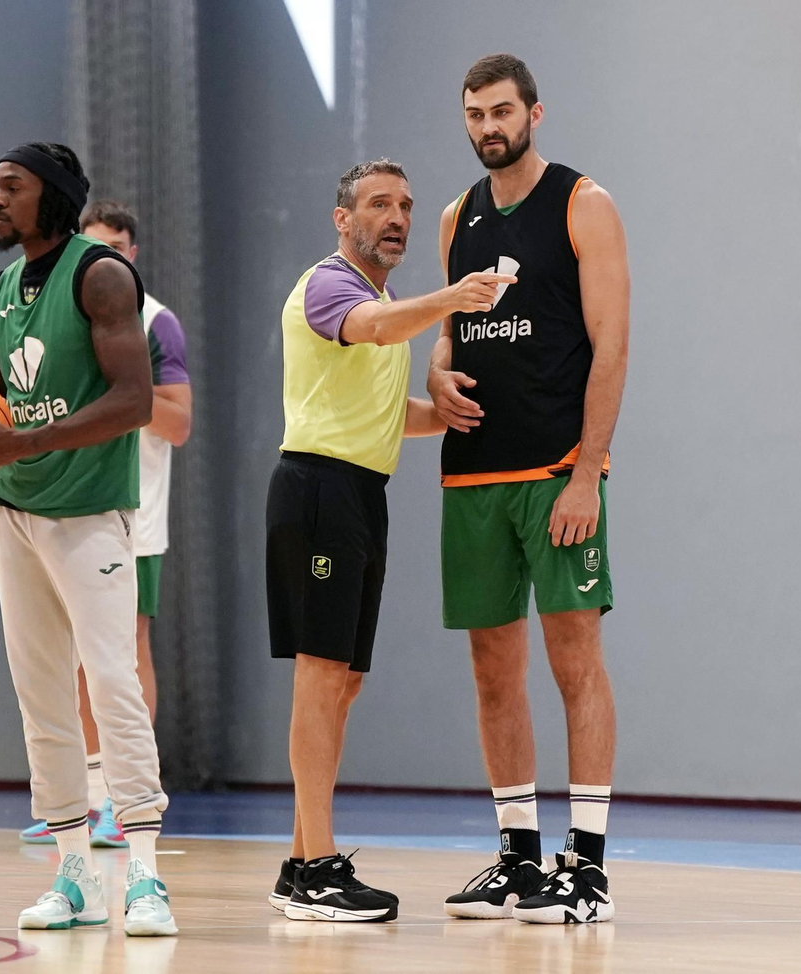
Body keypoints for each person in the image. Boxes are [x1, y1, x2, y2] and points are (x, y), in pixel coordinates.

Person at [266, 159, 515, 921]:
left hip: (361, 495)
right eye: (379, 204)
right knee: (320, 673)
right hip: (318, 490)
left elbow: (386, 410)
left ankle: (306, 862)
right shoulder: (332, 286)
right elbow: (372, 330)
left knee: (344, 680)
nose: (397, 216)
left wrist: (446, 409)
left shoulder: (386, 299)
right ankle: (312, 867)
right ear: (343, 220)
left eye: (405, 204)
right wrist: (456, 298)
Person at [0, 142, 176, 936]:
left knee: (113, 685)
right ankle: (73, 876)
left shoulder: (100, 276)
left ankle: (144, 879)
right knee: (42, 695)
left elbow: (136, 400)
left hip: (90, 515)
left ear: (55, 197)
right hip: (15, 516)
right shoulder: (1, 290)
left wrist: (22, 443)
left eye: (13, 187)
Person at [428, 55, 630, 924]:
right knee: (490, 669)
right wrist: (435, 378)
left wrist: (588, 470)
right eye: (474, 113)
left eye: (501, 111)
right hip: (473, 476)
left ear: (535, 114)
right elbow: (448, 340)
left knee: (574, 659)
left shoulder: (585, 206)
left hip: (556, 476)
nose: (487, 127)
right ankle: (517, 856)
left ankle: (586, 868)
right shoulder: (454, 219)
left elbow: (611, 348)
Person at [15, 200, 192, 851]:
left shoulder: (154, 322)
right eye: (92, 247)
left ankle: (126, 800)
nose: (104, 258)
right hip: (55, 509)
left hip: (129, 516)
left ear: (132, 254)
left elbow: (177, 422)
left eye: (114, 246)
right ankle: (83, 803)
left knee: (121, 658)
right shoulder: (49, 317)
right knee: (65, 663)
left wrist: (116, 392)